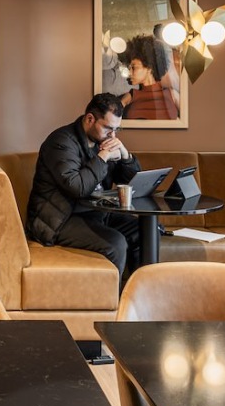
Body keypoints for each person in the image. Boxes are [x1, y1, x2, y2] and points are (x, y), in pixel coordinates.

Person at [25, 93, 142, 281]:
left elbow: (132, 181)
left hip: (94, 212)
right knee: (116, 243)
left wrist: (125, 155)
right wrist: (102, 157)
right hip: (59, 219)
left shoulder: (101, 141)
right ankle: (116, 298)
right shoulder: (61, 142)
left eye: (116, 130)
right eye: (108, 128)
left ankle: (139, 292)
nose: (112, 135)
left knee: (142, 230)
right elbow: (77, 187)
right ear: (90, 119)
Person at [120, 33, 178, 121]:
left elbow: (189, 118)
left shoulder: (172, 94)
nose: (129, 73)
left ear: (149, 67)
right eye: (129, 68)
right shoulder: (131, 95)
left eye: (134, 67)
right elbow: (112, 116)